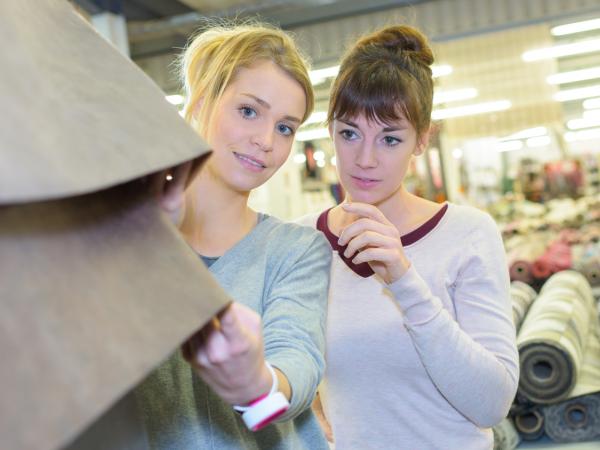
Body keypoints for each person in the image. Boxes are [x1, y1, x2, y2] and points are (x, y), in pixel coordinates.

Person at [299, 25, 519, 449]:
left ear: (421, 140)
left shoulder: (466, 233)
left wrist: (405, 281)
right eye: (349, 133)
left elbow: (493, 403)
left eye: (390, 138)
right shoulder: (301, 242)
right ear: (329, 131)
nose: (365, 159)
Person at [135, 22, 331, 450]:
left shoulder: (296, 250)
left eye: (285, 127)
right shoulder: (126, 238)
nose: (265, 141)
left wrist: (257, 387)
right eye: (248, 111)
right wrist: (152, 237)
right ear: (202, 102)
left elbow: (297, 360)